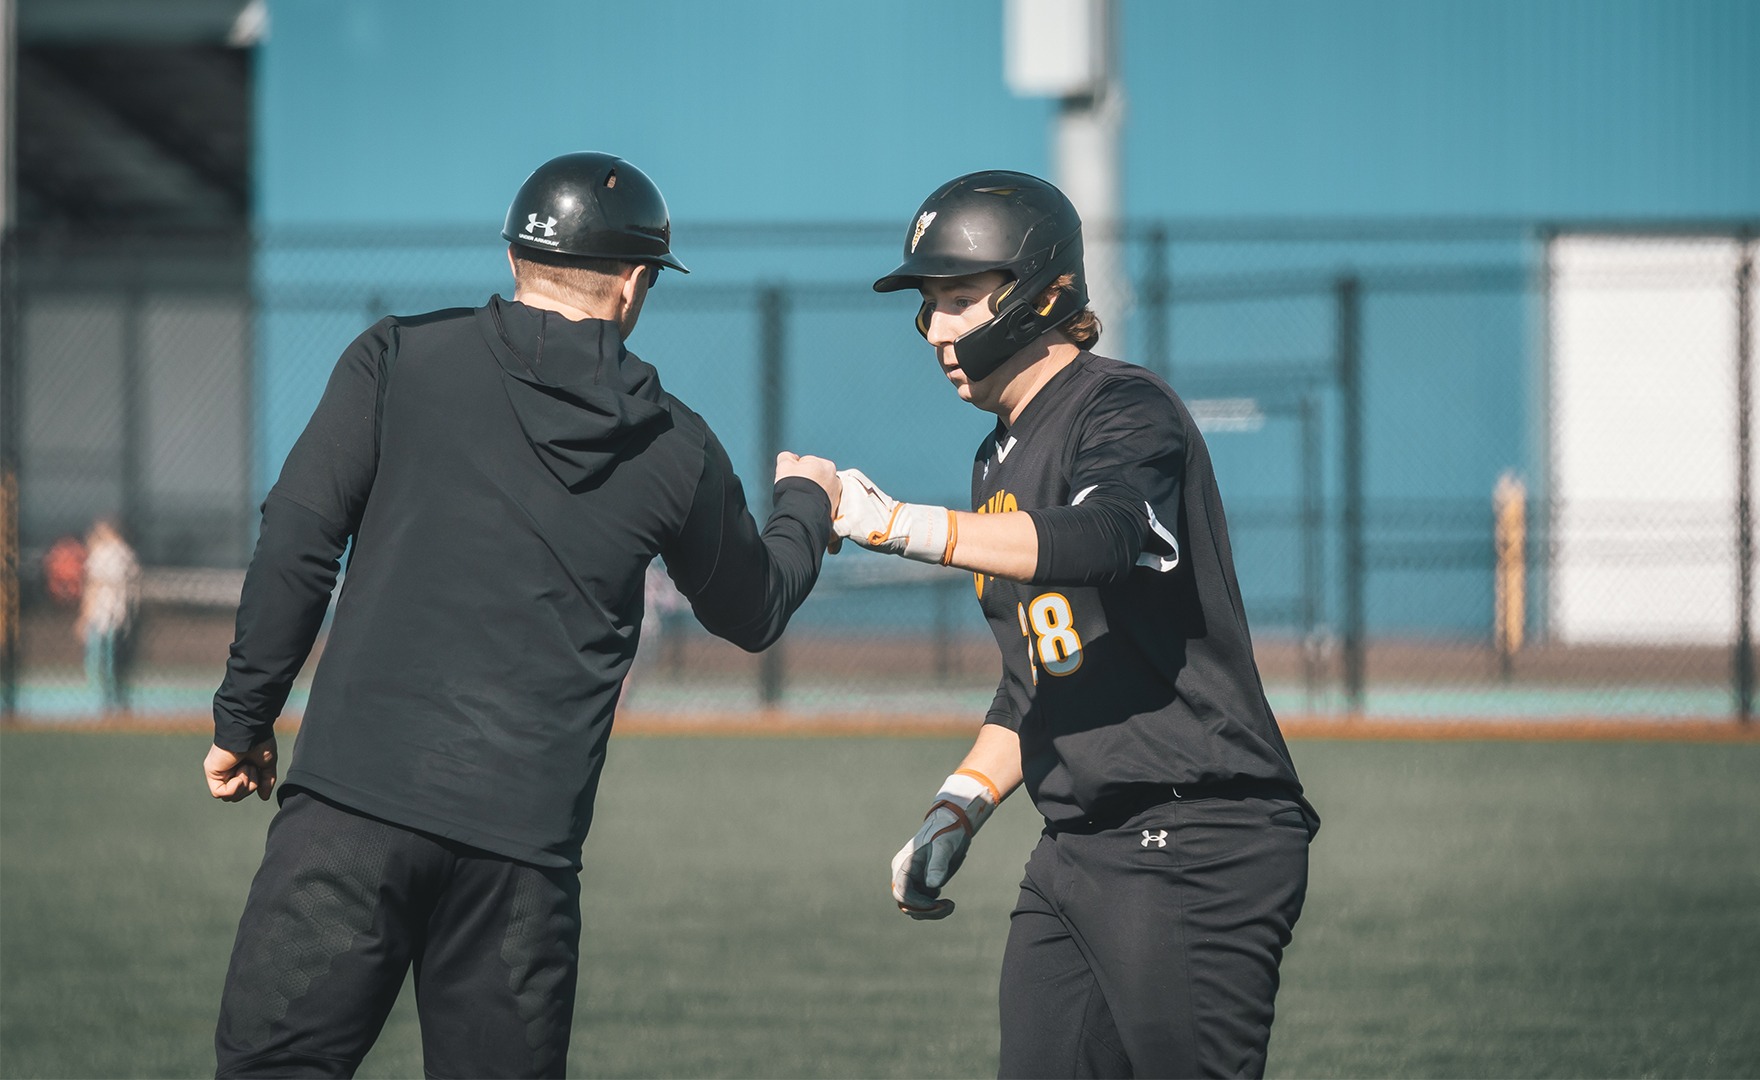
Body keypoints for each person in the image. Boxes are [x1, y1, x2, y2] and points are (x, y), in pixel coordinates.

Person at [202, 152, 841, 1079]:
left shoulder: (397, 359)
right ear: (633, 283)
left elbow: (298, 539)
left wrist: (245, 717)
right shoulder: (678, 450)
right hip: (522, 864)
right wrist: (806, 506)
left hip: (347, 814)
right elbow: (756, 610)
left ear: (514, 259)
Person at [835, 171, 1318, 1079]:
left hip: (1195, 838)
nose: (935, 329)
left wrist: (897, 526)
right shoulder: (997, 457)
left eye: (960, 299)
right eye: (929, 304)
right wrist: (957, 811)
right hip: (1078, 851)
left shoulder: (1123, 407)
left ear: (1046, 295)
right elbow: (1037, 681)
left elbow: (1107, 537)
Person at [76, 518, 139, 710]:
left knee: (97, 654)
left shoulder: (102, 553)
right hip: (118, 611)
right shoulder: (127, 554)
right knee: (111, 654)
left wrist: (84, 615)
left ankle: (100, 697)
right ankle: (112, 696)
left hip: (102, 611)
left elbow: (93, 586)